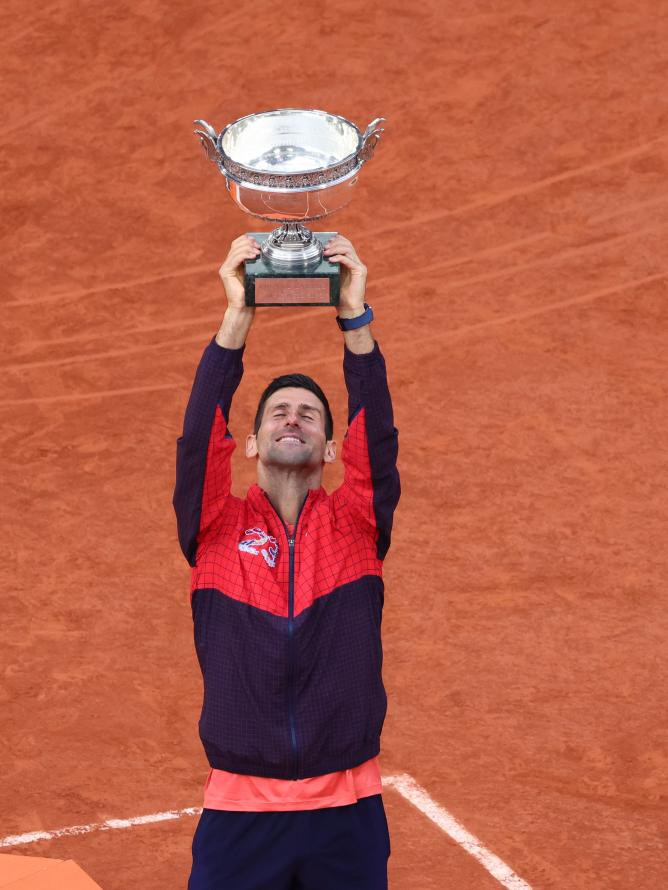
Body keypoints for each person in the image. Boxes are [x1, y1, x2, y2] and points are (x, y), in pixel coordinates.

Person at [173, 233, 401, 889]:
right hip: (239, 813)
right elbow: (196, 442)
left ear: (333, 448)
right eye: (278, 412)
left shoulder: (357, 524)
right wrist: (236, 317)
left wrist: (355, 318)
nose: (292, 418)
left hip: (348, 812)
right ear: (248, 442)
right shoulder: (215, 525)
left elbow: (376, 437)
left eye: (308, 413)